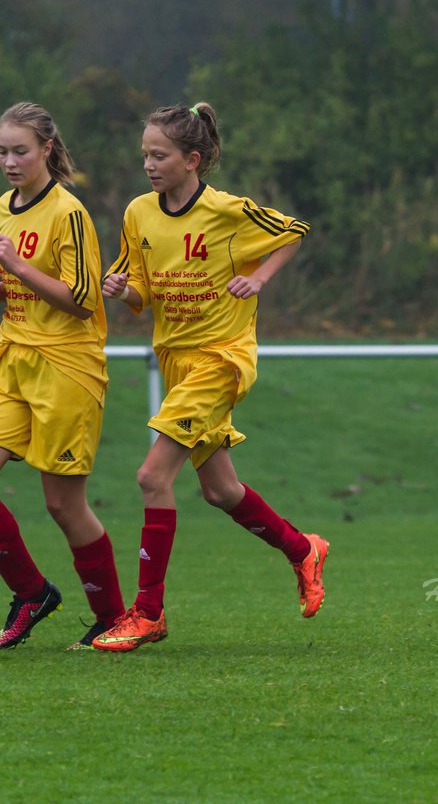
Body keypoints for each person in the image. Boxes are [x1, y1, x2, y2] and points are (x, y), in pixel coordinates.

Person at [91, 102, 329, 653]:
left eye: (160, 155)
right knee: (221, 490)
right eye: (145, 154)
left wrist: (260, 277)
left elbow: (294, 232)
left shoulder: (228, 211)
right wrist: (122, 289)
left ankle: (148, 613)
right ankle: (302, 549)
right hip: (176, 363)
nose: (148, 164)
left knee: (153, 477)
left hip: (222, 360)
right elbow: (141, 293)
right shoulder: (138, 214)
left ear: (192, 159)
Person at [0, 102, 125, 650]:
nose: (9, 161)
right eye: (1, 151)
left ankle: (114, 618)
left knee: (62, 505)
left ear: (46, 149)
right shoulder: (4, 205)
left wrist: (20, 270)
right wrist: (0, 289)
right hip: (13, 360)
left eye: (19, 150)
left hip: (66, 367)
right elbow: (23, 280)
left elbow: (81, 299)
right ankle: (31, 592)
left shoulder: (69, 212)